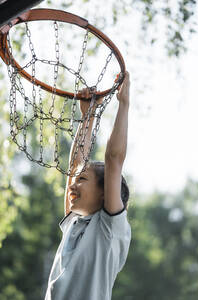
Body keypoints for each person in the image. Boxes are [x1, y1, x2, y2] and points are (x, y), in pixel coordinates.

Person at [44, 71, 131, 300]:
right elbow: (75, 166)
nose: (72, 185)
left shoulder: (109, 230)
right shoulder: (74, 224)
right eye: (74, 181)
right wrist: (88, 115)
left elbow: (113, 159)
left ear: (105, 194)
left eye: (81, 181)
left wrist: (124, 103)